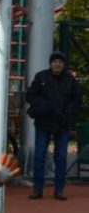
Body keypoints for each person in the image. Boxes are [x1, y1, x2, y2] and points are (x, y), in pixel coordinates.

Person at [25, 51, 81, 200]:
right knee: (40, 155)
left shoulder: (70, 79)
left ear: (64, 64)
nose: (57, 64)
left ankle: (59, 189)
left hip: (62, 123)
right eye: (55, 61)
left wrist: (68, 113)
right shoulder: (40, 77)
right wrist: (44, 106)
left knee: (61, 156)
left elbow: (77, 99)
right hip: (44, 121)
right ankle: (37, 189)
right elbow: (30, 95)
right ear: (50, 63)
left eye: (60, 62)